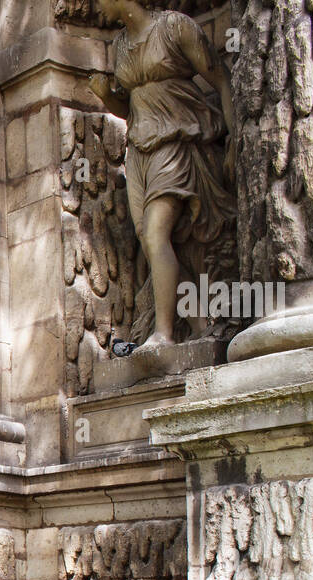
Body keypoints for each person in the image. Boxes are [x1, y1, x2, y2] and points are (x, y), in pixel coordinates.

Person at [90, 0, 236, 348]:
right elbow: (128, 107)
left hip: (178, 140)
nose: (97, 8)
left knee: (157, 235)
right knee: (152, 242)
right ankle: (201, 327)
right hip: (140, 150)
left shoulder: (175, 27)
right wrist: (106, 96)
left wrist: (235, 139)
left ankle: (163, 335)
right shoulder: (120, 45)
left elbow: (220, 78)